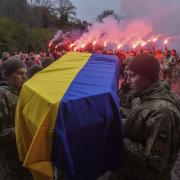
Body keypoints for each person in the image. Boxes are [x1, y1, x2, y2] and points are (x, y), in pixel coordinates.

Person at [110, 54, 180, 180]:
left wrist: (119, 135)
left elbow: (152, 162)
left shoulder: (163, 113)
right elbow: (140, 114)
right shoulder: (143, 95)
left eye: (133, 76)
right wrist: (116, 111)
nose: (128, 80)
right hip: (126, 171)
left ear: (147, 77)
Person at [0, 57, 32, 179]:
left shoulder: (24, 92)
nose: (25, 77)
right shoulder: (2, 95)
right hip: (10, 160)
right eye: (19, 73)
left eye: (26, 73)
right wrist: (23, 129)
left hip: (25, 155)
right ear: (8, 76)